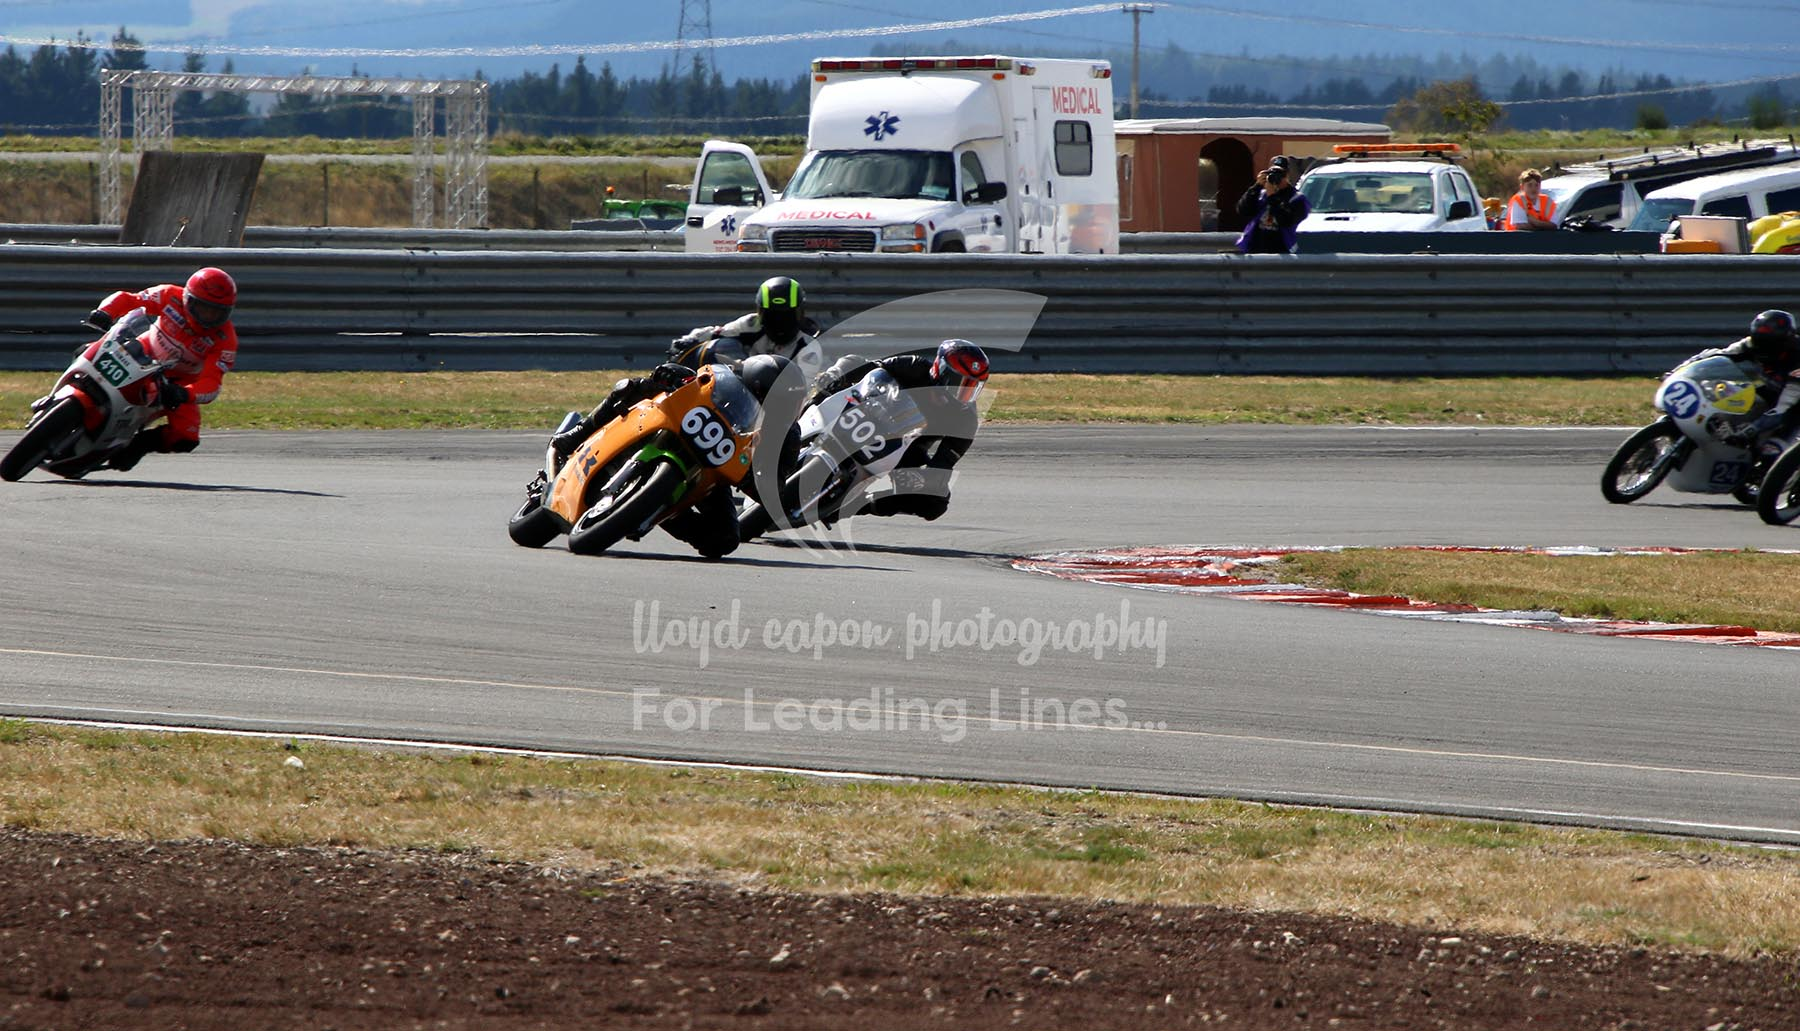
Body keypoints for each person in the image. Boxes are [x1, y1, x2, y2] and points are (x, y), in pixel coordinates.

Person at [552, 354, 794, 559]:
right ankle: (578, 433)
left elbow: (778, 487)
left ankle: (655, 509)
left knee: (724, 539)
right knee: (632, 386)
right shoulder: (729, 376)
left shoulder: (788, 434)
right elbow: (696, 376)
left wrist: (757, 482)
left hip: (712, 468)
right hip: (670, 422)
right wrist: (672, 374)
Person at [800, 339, 991, 522]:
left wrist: (927, 478)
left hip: (905, 447)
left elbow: (944, 462)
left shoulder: (966, 421)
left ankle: (851, 506)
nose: (963, 395)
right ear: (940, 370)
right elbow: (872, 368)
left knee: (935, 502)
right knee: (851, 362)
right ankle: (797, 427)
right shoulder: (914, 366)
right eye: (959, 384)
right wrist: (835, 379)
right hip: (870, 412)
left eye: (972, 388)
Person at [81, 267, 239, 472]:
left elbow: (212, 383)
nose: (208, 316)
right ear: (188, 299)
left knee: (186, 437)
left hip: (175, 382)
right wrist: (105, 312)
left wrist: (185, 393)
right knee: (91, 350)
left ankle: (140, 444)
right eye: (203, 308)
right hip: (142, 352)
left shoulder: (225, 339)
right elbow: (129, 299)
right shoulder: (169, 295)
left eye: (217, 312)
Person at [1691, 310, 1800, 464]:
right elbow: (1719, 356)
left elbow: (1785, 406)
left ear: (1786, 341)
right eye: (1759, 341)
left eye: (1770, 344)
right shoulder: (1751, 344)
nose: (1763, 348)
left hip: (1794, 407)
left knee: (1771, 453)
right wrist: (1683, 370)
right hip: (1772, 391)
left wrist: (1753, 429)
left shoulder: (1797, 357)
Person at [668, 276, 821, 368]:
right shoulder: (751, 324)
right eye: (772, 315)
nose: (779, 322)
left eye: (786, 316)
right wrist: (690, 340)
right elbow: (717, 332)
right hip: (742, 395)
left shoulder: (809, 347)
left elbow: (802, 389)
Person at [1234, 156, 1310, 255]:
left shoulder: (1297, 199)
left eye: (1280, 174)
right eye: (1272, 173)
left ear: (1287, 175)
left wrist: (1272, 196)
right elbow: (1243, 210)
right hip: (1256, 249)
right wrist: (1256, 186)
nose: (1276, 178)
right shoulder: (1261, 194)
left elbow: (1286, 221)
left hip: (1283, 252)